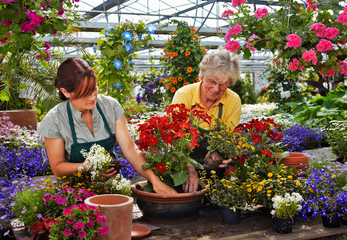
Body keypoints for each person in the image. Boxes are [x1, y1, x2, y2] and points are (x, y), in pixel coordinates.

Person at [37, 57, 177, 194]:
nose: (92, 97)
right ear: (65, 92)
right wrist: (91, 167)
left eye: (94, 89)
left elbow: (129, 149)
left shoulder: (110, 106)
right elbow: (57, 167)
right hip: (76, 193)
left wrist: (155, 181)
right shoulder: (54, 120)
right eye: (85, 94)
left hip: (113, 187)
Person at [172, 47, 242, 193]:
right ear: (202, 76)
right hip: (183, 166)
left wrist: (229, 154)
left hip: (216, 171)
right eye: (212, 81)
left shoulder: (233, 101)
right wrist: (187, 166)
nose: (216, 89)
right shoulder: (184, 96)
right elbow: (173, 140)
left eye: (222, 84)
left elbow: (229, 139)